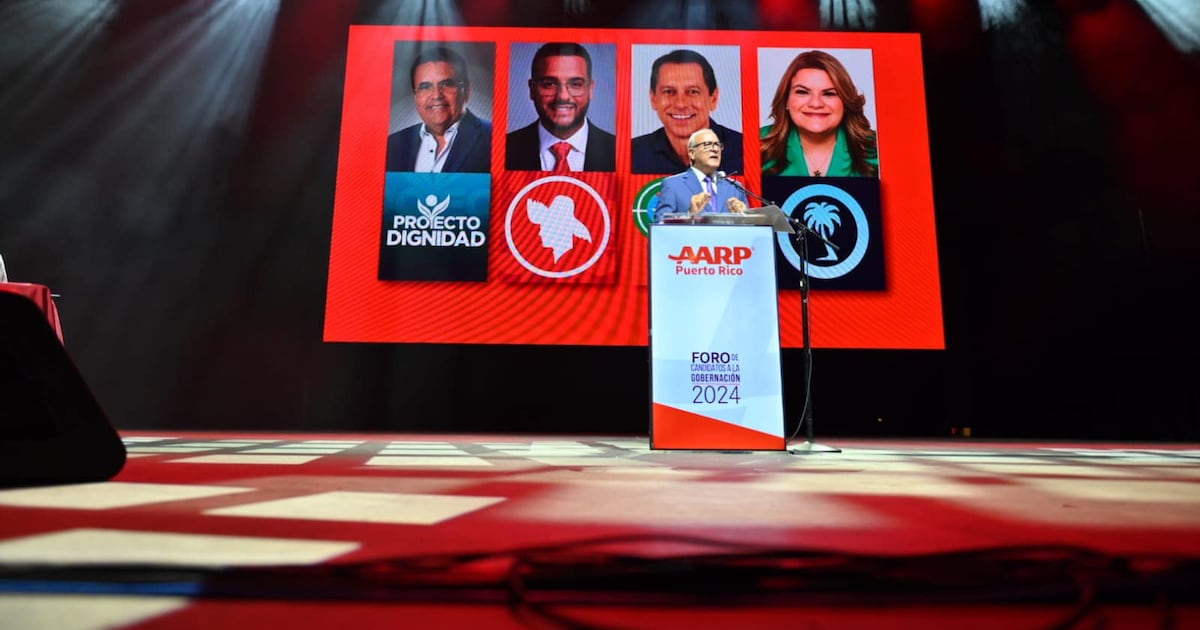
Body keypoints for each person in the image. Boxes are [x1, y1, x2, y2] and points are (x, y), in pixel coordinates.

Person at [760, 50, 879, 177]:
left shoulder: (878, 149)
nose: (816, 104)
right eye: (802, 92)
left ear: (845, 102)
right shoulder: (756, 145)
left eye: (829, 94)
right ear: (786, 100)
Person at [506, 42, 615, 172]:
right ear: (532, 90)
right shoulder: (505, 149)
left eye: (575, 84)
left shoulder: (618, 150)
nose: (562, 96)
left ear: (590, 89)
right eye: (549, 84)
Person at [632, 49, 743, 175]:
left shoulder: (745, 150)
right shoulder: (632, 153)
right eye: (669, 91)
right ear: (653, 99)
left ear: (713, 98)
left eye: (693, 92)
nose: (680, 104)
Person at [386, 47, 491, 173]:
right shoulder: (393, 144)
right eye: (425, 87)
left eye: (446, 84)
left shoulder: (491, 138)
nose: (436, 95)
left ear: (466, 91)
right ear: (416, 97)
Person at [653, 128, 748, 223]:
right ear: (692, 153)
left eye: (717, 145)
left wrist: (744, 218)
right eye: (707, 145)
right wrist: (689, 215)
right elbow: (660, 225)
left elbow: (749, 227)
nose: (715, 149)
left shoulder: (735, 187)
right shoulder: (673, 185)